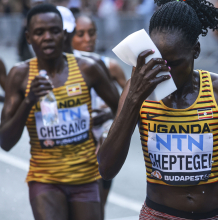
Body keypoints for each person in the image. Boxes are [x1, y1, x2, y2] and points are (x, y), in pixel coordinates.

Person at [97, 0, 218, 219]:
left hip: (215, 214)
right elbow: (106, 168)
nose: (167, 73)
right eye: (159, 63)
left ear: (196, 51)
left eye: (175, 63)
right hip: (159, 214)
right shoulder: (139, 92)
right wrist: (134, 99)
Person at [0, 4, 119, 220]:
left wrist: (106, 136)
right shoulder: (20, 75)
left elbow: (122, 110)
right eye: (39, 32)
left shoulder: (88, 68)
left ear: (64, 34)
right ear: (28, 37)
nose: (47, 37)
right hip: (45, 179)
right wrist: (29, 101)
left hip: (86, 177)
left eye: (54, 31)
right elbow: (5, 142)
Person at [58, 6, 125, 217]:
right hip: (74, 145)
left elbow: (130, 104)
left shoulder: (110, 66)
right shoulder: (62, 66)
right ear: (69, 36)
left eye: (92, 32)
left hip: (104, 144)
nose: (88, 39)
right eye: (81, 34)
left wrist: (109, 117)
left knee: (97, 209)